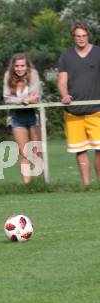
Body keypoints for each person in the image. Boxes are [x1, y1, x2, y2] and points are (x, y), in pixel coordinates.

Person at [58, 21, 100, 186]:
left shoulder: (98, 52)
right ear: (73, 37)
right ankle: (86, 185)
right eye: (78, 36)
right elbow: (62, 81)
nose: (81, 39)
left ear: (88, 35)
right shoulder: (66, 56)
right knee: (79, 150)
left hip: (97, 111)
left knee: (99, 149)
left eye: (84, 36)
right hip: (74, 112)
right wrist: (64, 95)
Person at [3, 53, 43, 183]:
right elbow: (7, 99)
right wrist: (25, 100)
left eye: (22, 66)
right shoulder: (8, 76)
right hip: (16, 117)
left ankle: (39, 182)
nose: (19, 69)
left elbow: (35, 96)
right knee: (24, 153)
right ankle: (27, 184)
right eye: (17, 66)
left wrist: (21, 100)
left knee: (37, 151)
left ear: (27, 66)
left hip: (33, 115)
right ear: (13, 67)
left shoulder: (34, 74)